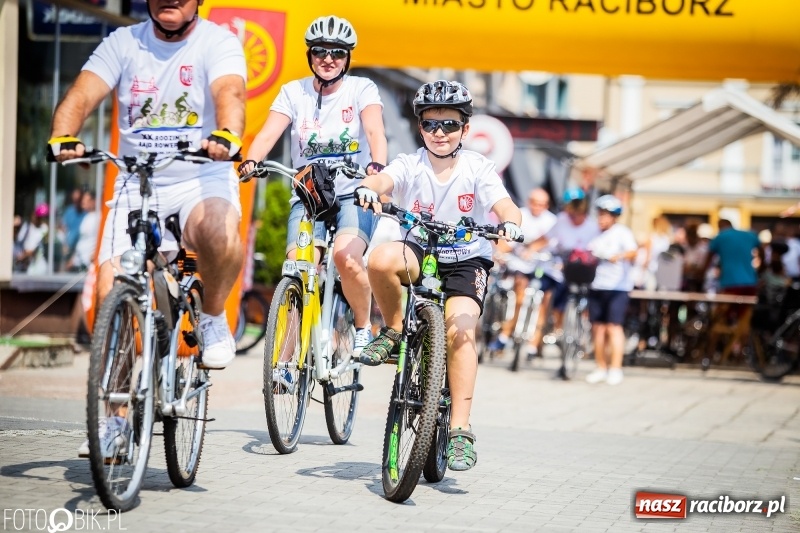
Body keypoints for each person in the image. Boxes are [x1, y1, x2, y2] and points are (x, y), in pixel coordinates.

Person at [46, 0, 246, 455]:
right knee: (110, 291)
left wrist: (228, 135)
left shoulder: (218, 42)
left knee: (217, 231)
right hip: (138, 183)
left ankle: (212, 317)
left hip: (199, 177)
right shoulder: (123, 42)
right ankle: (115, 422)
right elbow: (79, 96)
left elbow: (230, 95)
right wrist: (63, 133)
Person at [353, 80, 522, 472]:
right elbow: (384, 180)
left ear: (466, 129)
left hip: (466, 260)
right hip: (420, 249)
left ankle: (460, 429)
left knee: (458, 328)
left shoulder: (478, 168)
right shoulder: (411, 163)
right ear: (420, 128)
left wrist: (510, 224)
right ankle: (394, 331)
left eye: (449, 124)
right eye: (431, 125)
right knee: (379, 260)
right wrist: (367, 187)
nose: (440, 133)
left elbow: (505, 205)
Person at [238, 15, 387, 357]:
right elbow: (267, 134)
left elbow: (376, 132)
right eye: (320, 51)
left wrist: (376, 165)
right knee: (299, 267)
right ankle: (286, 362)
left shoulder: (362, 89)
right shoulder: (293, 91)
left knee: (346, 258)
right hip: (308, 193)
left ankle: (363, 328)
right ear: (310, 54)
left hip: (353, 192)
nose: (328, 58)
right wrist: (251, 159)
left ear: (348, 57)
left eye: (337, 52)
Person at [489, 188, 557, 360]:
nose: (537, 207)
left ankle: (534, 344)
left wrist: (533, 249)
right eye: (535, 203)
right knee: (519, 293)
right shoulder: (521, 215)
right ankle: (506, 333)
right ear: (529, 202)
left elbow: (550, 241)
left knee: (544, 301)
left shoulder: (552, 220)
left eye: (542, 204)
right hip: (520, 265)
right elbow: (508, 240)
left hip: (542, 265)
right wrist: (499, 253)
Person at [583, 195, 638, 386]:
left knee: (614, 327)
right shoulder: (593, 232)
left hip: (618, 287)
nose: (602, 218)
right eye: (600, 214)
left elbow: (633, 251)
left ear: (614, 217)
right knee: (597, 328)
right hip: (597, 285)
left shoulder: (622, 232)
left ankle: (616, 368)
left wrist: (619, 255)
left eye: (606, 215)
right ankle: (601, 367)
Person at [544, 187, 601, 335]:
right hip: (562, 268)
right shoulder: (562, 220)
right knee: (555, 296)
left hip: (582, 269)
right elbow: (546, 238)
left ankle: (578, 329)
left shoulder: (592, 227)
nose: (573, 215)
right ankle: (558, 328)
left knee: (583, 297)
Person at [65, 190, 99, 272]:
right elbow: (82, 240)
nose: (83, 203)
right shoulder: (86, 217)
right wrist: (74, 259)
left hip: (89, 264)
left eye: (86, 200)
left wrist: (95, 254)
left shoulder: (99, 218)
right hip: (79, 262)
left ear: (93, 202)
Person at [14, 203, 50, 274]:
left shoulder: (44, 228)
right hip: (24, 263)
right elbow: (19, 242)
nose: (37, 218)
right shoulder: (27, 226)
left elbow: (35, 249)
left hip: (37, 263)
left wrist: (24, 255)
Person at [61, 188, 85, 265]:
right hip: (68, 249)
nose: (76, 202)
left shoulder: (86, 214)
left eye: (78, 200)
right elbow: (63, 228)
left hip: (80, 249)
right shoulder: (69, 211)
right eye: (75, 200)